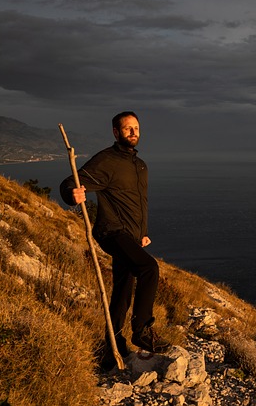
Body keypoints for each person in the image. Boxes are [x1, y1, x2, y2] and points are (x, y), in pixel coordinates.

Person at [60, 111, 170, 368]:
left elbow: (139, 203)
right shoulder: (106, 160)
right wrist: (71, 193)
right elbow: (71, 182)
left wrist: (142, 233)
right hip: (111, 231)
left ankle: (113, 347)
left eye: (136, 128)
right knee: (149, 268)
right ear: (116, 132)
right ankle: (142, 330)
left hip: (131, 236)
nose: (133, 132)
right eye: (127, 128)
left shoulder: (140, 165)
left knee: (122, 289)